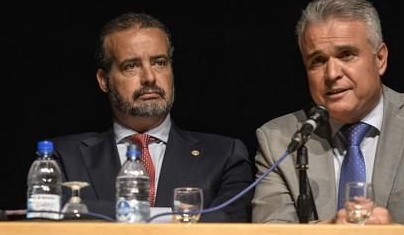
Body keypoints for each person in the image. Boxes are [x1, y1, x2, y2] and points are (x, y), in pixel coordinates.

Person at [251, 0, 404, 225]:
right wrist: (330, 233)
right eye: (318, 61)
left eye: (346, 55)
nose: (331, 74)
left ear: (380, 58)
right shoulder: (279, 140)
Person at [51, 12, 253, 222]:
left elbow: (229, 222)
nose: (149, 77)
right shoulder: (63, 157)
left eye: (159, 62)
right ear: (104, 80)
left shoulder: (224, 155)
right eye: (131, 66)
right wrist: (178, 217)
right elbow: (51, 218)